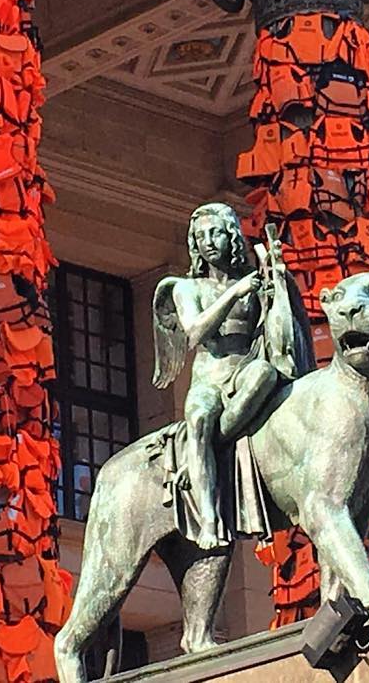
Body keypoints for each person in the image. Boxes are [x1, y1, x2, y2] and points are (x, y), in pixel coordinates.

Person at [151, 203, 283, 549]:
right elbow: (194, 333)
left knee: (266, 375)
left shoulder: (252, 282)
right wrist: (234, 294)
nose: (209, 242)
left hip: (245, 368)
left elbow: (273, 331)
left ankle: (223, 450)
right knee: (198, 419)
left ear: (232, 237)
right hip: (209, 378)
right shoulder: (185, 288)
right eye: (200, 236)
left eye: (216, 233)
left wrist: (277, 285)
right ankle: (209, 519)